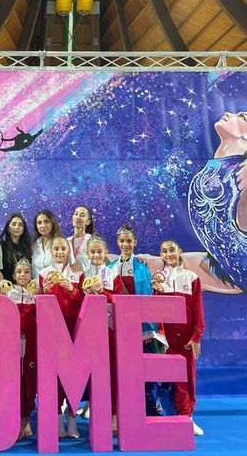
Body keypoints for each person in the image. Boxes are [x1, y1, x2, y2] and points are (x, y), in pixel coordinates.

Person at [189, 111, 247, 291]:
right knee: (150, 263)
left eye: (242, 117)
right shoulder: (216, 169)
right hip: (225, 270)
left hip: (239, 268)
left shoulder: (241, 173)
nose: (228, 113)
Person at [154, 239, 205, 436]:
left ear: (180, 251)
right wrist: (157, 291)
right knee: (172, 377)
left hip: (185, 336)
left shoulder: (191, 277)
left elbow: (197, 308)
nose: (168, 254)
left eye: (172, 250)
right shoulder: (158, 279)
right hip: (166, 337)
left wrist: (196, 335)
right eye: (164, 251)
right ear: (161, 255)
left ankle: (188, 415)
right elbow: (155, 310)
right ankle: (177, 414)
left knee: (188, 376)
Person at [39, 235, 84, 439]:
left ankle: (72, 420)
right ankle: (57, 420)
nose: (59, 252)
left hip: (74, 329)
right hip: (53, 330)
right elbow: (38, 302)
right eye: (56, 249)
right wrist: (44, 292)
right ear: (51, 252)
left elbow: (84, 301)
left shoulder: (78, 273)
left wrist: (72, 290)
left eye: (63, 249)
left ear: (69, 251)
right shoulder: (43, 273)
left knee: (73, 376)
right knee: (55, 375)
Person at [78, 235, 123, 421]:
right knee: (92, 370)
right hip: (90, 329)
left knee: (111, 371)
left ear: (106, 253)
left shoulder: (113, 274)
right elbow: (78, 304)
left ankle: (113, 413)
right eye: (93, 252)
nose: (96, 255)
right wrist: (84, 295)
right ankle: (94, 407)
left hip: (109, 328)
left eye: (99, 252)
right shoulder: (83, 275)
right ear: (87, 254)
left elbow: (121, 301)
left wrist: (102, 292)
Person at [108, 223, 167, 348]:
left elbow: (146, 300)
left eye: (129, 241)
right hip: (116, 319)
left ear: (135, 242)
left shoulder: (141, 268)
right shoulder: (110, 267)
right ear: (118, 242)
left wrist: (146, 329)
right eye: (122, 241)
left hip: (136, 322)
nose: (125, 244)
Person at [7, 258, 38, 439]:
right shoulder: (8, 294)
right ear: (13, 275)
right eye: (19, 272)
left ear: (31, 275)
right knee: (14, 378)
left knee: (29, 378)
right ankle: (14, 417)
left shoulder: (36, 294)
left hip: (31, 341)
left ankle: (26, 417)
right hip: (12, 342)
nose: (22, 275)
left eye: (26, 272)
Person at [0, 213, 32, 282]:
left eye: (20, 225)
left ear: (23, 229)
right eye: (14, 224)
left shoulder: (29, 247)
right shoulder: (1, 246)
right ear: (8, 228)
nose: (17, 227)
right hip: (6, 286)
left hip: (27, 287)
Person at [31, 209, 62, 279]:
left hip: (56, 284)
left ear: (52, 223)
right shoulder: (34, 245)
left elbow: (70, 267)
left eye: (46, 222)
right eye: (39, 223)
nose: (43, 225)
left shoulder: (62, 243)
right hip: (36, 285)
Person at [67, 206, 94, 272]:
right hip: (68, 278)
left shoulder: (91, 240)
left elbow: (103, 261)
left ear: (88, 222)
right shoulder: (66, 241)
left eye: (82, 215)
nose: (78, 217)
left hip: (87, 277)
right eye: (76, 214)